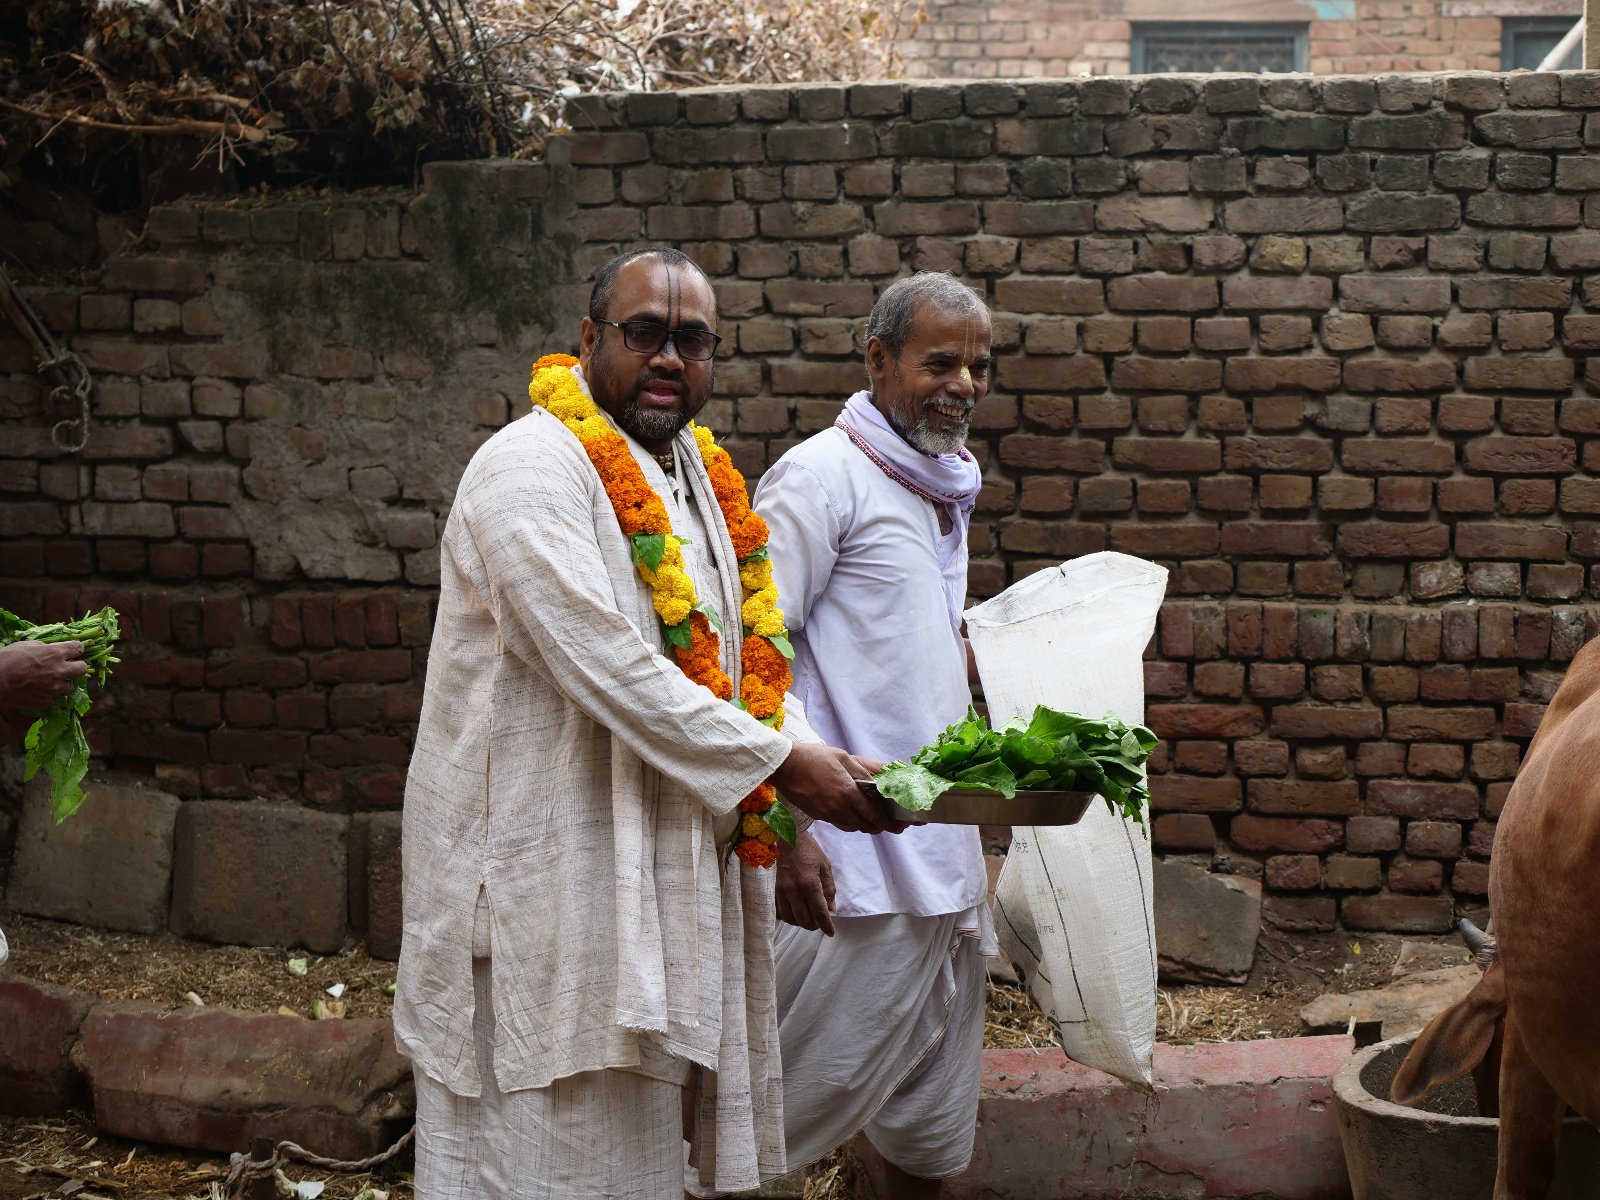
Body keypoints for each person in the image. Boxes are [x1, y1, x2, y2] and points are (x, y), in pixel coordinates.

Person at [394, 246, 898, 1200]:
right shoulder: (527, 467)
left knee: (636, 1162)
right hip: (546, 883)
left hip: (662, 878)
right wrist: (786, 763)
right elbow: (609, 665)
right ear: (589, 340)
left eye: (693, 340)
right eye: (645, 335)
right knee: (541, 1151)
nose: (670, 358)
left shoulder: (697, 476)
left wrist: (783, 800)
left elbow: (739, 667)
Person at [753, 273, 996, 1199]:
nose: (963, 385)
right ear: (879, 360)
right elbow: (751, 659)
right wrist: (786, 831)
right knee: (765, 1134)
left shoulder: (944, 485)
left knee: (926, 1147)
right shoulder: (820, 477)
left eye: (978, 366)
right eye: (940, 362)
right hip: (845, 878)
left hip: (942, 869)